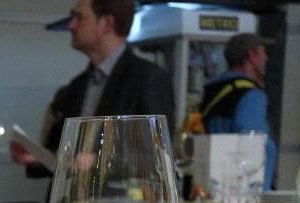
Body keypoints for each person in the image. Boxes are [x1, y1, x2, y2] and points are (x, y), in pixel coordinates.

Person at [10, 0, 176, 176]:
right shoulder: (76, 86)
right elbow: (67, 160)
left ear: (107, 24)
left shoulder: (148, 78)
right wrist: (36, 158)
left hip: (119, 194)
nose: (71, 25)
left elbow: (156, 156)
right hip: (68, 194)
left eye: (79, 17)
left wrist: (99, 162)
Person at [199, 33, 276, 190]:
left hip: (212, 186)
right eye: (263, 52)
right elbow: (253, 146)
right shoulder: (251, 95)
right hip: (242, 192)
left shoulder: (213, 90)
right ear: (251, 55)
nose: (266, 58)